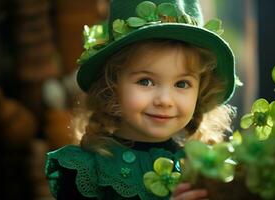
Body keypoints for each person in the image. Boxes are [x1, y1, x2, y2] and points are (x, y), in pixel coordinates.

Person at [45, 0, 236, 199]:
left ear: (200, 91)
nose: (165, 100)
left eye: (181, 84)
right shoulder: (86, 171)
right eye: (145, 81)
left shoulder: (203, 170)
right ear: (111, 85)